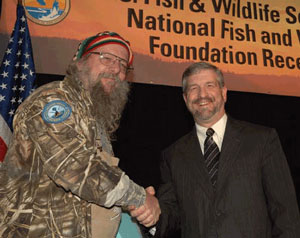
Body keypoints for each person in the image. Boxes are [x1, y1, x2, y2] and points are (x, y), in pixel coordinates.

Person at [0, 31, 160, 238]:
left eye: (123, 64)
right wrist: (139, 198)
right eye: (107, 58)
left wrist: (131, 205)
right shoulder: (53, 100)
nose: (116, 69)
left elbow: (96, 189)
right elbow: (75, 166)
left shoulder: (94, 119)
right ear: (80, 62)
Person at [131, 61, 300, 237]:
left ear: (224, 92)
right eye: (194, 88)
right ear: (185, 98)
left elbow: (286, 213)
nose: (202, 94)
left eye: (209, 85)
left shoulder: (262, 140)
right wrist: (150, 213)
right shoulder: (173, 155)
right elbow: (171, 214)